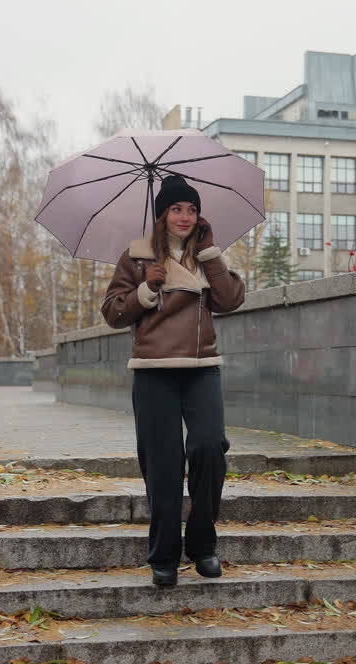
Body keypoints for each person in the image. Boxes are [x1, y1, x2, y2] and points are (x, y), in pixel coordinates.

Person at [100, 174, 246, 587]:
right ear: (162, 213)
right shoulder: (138, 256)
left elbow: (231, 300)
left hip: (201, 367)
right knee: (162, 465)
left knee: (210, 447)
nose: (185, 216)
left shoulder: (206, 256)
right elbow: (112, 312)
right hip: (153, 370)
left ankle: (202, 545)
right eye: (177, 208)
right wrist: (146, 289)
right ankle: (164, 554)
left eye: (192, 209)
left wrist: (212, 254)